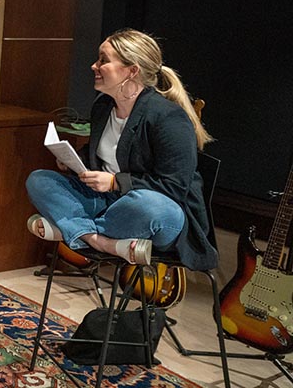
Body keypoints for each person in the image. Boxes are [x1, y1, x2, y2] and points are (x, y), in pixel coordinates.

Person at [25, 28, 217, 271]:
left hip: (153, 213)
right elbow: (108, 157)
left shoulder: (168, 118)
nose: (94, 66)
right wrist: (72, 160)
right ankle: (100, 242)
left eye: (103, 60)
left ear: (132, 70)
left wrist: (116, 182)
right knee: (40, 180)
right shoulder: (103, 106)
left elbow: (174, 187)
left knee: (150, 205)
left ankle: (71, 228)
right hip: (106, 203)